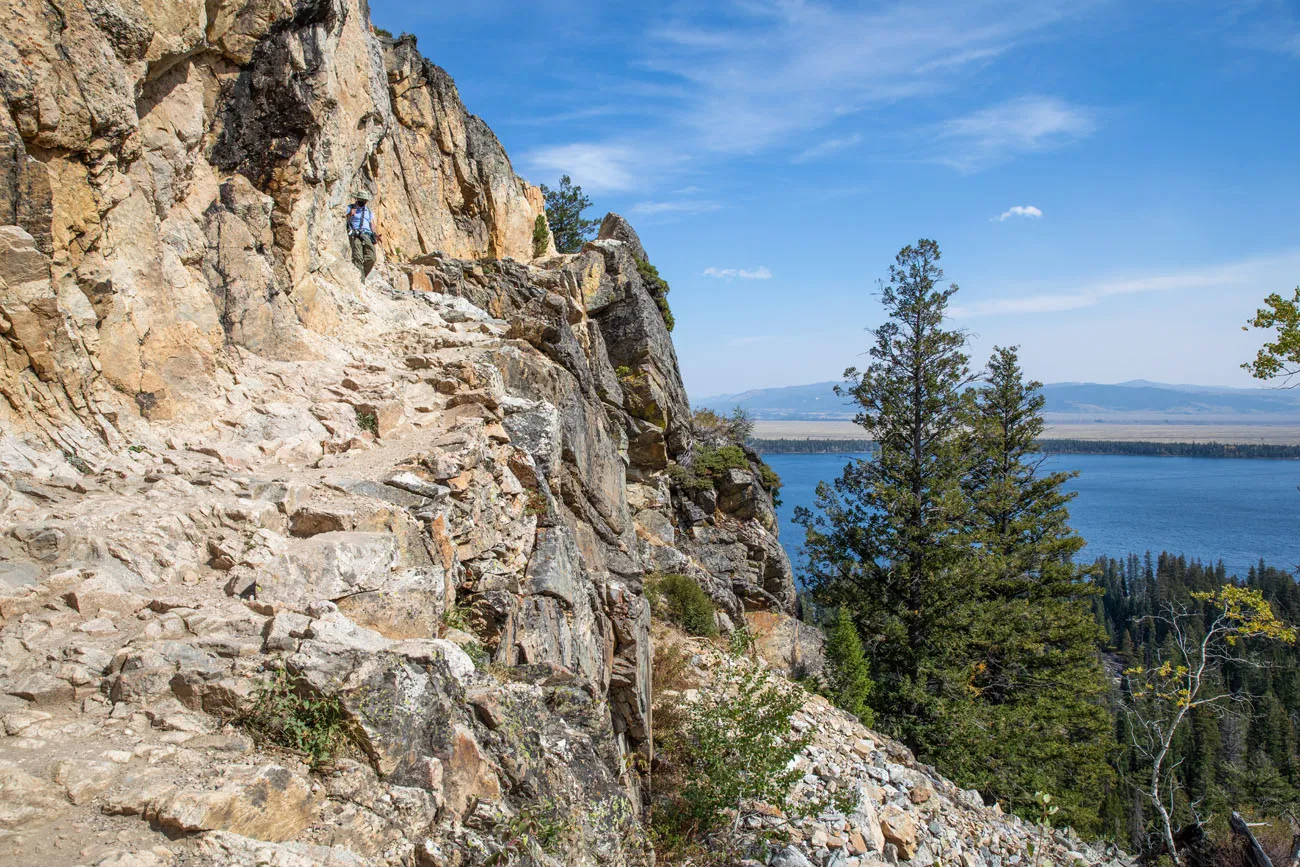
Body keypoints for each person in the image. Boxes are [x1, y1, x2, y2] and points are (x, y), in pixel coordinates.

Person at [346, 191, 380, 278]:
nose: (363, 202)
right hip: (355, 233)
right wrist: (350, 214)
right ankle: (360, 280)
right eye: (361, 200)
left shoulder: (368, 211)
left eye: (364, 200)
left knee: (371, 258)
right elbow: (344, 219)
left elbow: (371, 224)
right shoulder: (350, 208)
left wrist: (375, 234)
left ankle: (362, 276)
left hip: (367, 234)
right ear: (357, 199)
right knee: (357, 257)